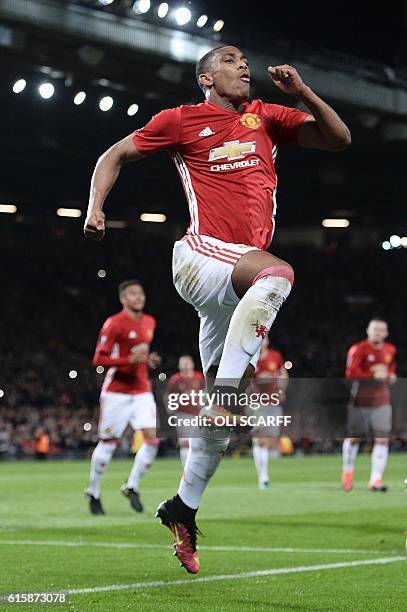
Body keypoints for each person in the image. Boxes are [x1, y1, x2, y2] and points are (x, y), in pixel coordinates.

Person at [84, 45, 350, 572]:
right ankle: (224, 393)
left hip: (230, 289)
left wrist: (303, 94)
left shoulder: (266, 117)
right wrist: (95, 208)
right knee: (279, 275)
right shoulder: (182, 120)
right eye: (230, 60)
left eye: (244, 60)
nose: (243, 65)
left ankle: (182, 507)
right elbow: (112, 154)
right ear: (206, 77)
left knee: (222, 425)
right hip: (200, 257)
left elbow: (339, 138)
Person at [85, 280, 161, 515]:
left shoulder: (150, 322)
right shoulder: (114, 323)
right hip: (116, 392)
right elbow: (99, 359)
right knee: (108, 443)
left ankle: (132, 485)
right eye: (132, 294)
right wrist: (127, 361)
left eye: (141, 293)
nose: (138, 297)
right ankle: (94, 491)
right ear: (123, 299)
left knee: (152, 440)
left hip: (141, 390)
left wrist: (149, 360)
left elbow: (140, 353)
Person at [342, 319, 396, 492]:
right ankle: (348, 473)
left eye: (381, 330)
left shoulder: (390, 350)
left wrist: (391, 376)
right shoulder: (358, 349)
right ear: (368, 331)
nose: (378, 332)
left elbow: (391, 370)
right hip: (361, 400)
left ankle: (376, 479)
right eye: (375, 329)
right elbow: (350, 374)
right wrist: (372, 374)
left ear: (386, 333)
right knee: (354, 438)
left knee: (382, 439)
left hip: (382, 400)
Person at [250, 337, 288, 489]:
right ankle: (263, 476)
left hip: (274, 403)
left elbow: (283, 373)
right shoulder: (251, 358)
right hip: (258, 404)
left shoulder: (275, 356)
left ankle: (263, 475)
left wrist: (282, 390)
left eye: (264, 338)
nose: (262, 340)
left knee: (270, 441)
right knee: (261, 440)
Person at [165, 355, 205, 465]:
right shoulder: (175, 379)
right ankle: (187, 468)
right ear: (179, 366)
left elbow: (204, 393)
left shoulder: (198, 377)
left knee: (198, 442)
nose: (186, 366)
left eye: (187, 363)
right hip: (182, 414)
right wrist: (171, 408)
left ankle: (195, 466)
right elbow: (169, 396)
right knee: (186, 441)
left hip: (197, 414)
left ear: (192, 365)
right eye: (183, 363)